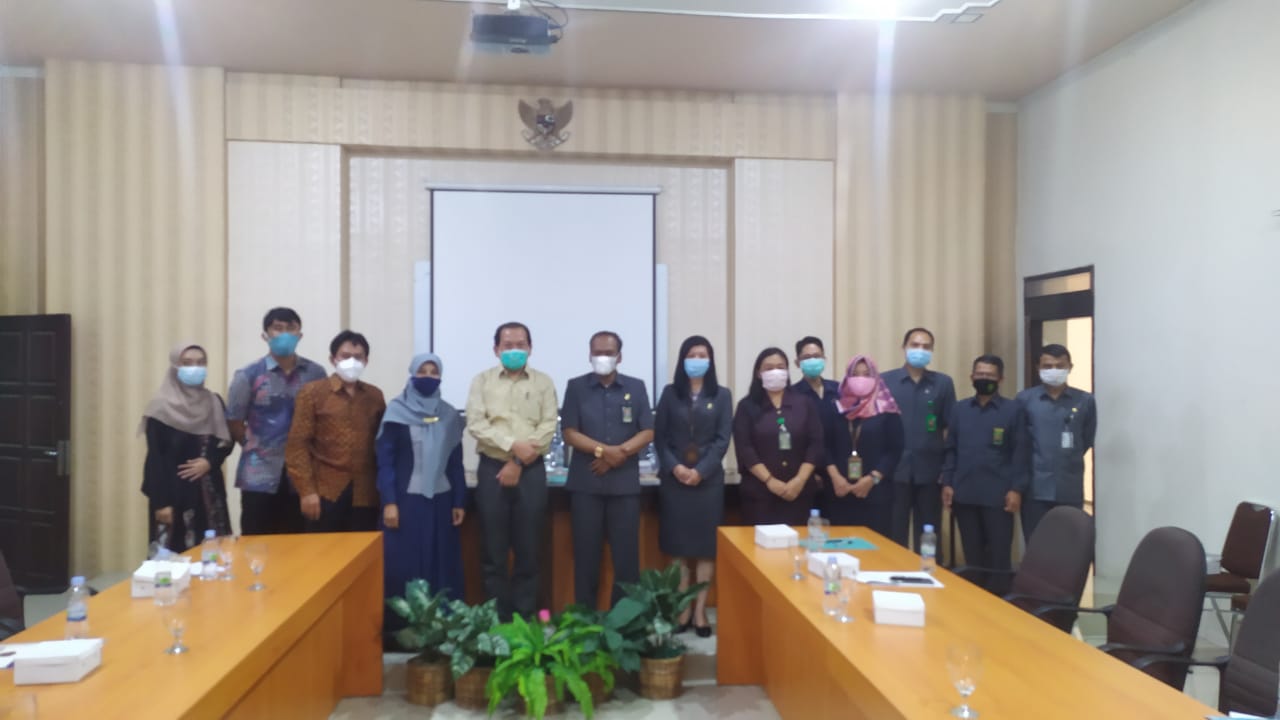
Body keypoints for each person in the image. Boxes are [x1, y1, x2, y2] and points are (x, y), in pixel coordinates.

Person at [465, 322, 558, 620]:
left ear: (530, 348)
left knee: (529, 551)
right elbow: (476, 424)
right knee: (493, 552)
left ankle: (524, 620)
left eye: (520, 345)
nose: (514, 350)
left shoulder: (543, 382)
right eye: (508, 345)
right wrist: (512, 447)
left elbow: (548, 426)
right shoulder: (482, 381)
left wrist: (517, 462)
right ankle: (497, 622)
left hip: (530, 471)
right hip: (492, 469)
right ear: (496, 349)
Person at [560, 331, 654, 609]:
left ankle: (624, 624)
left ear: (619, 357)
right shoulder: (576, 387)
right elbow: (569, 432)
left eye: (609, 353)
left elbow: (647, 431)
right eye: (597, 352)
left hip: (624, 486)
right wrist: (604, 451)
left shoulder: (636, 387)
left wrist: (619, 453)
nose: (603, 357)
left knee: (626, 560)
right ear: (590, 355)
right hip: (586, 484)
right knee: (586, 558)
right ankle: (585, 621)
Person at [376, 352, 467, 616]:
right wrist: (389, 502)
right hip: (405, 502)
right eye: (422, 372)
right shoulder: (396, 412)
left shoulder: (449, 414)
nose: (428, 377)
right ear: (412, 374)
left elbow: (455, 462)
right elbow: (385, 462)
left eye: (434, 372)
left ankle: (443, 624)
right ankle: (403, 628)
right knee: (404, 564)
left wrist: (459, 501)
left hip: (441, 501)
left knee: (441, 562)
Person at [654, 336, 732, 637]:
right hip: (675, 482)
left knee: (704, 551)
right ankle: (683, 609)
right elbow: (660, 437)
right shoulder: (669, 394)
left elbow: (722, 439)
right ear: (682, 359)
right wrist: (675, 467)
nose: (697, 359)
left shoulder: (722, 395)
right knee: (677, 550)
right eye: (692, 354)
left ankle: (700, 612)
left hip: (707, 483)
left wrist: (700, 471)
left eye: (703, 355)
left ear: (710, 360)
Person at [226, 307, 328, 535]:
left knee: (298, 542)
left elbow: (322, 419)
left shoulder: (315, 373)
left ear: (300, 335)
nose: (284, 334)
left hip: (302, 475)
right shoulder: (248, 374)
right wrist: (255, 445)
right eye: (277, 328)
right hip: (259, 474)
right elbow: (234, 421)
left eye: (291, 328)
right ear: (265, 335)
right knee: (256, 542)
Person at [941, 355, 1028, 593]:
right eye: (980, 374)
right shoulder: (959, 409)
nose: (984, 379)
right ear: (971, 377)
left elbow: (1020, 452)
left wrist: (1016, 489)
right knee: (972, 555)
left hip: (998, 495)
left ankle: (999, 601)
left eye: (990, 375)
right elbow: (951, 449)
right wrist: (947, 482)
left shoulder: (1013, 410)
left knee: (999, 556)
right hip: (964, 493)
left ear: (1000, 379)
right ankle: (974, 600)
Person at [286, 330, 386, 533]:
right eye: (345, 356)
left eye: (358, 357)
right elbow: (297, 446)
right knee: (324, 550)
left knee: (363, 549)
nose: (352, 362)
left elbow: (382, 445)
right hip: (325, 491)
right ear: (333, 359)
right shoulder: (312, 392)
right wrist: (306, 492)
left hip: (366, 493)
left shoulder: (375, 396)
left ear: (366, 361)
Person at [140, 343, 234, 552]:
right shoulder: (160, 408)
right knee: (174, 556)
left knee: (214, 554)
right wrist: (161, 502)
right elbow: (155, 457)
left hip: (209, 492)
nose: (195, 368)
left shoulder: (214, 402)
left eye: (201, 363)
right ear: (175, 367)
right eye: (187, 363)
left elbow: (225, 442)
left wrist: (209, 462)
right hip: (174, 494)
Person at [882, 327, 956, 550]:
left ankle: (929, 570)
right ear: (904, 348)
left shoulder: (943, 383)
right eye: (915, 345)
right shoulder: (885, 381)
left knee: (929, 537)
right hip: (894, 472)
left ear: (932, 351)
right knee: (894, 535)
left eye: (926, 347)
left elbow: (949, 429)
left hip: (930, 472)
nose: (920, 350)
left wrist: (947, 470)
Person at [732, 347, 824, 526]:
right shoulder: (746, 406)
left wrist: (799, 481)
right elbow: (745, 448)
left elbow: (815, 444)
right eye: (769, 368)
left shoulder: (804, 403)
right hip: (760, 494)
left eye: (781, 367)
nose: (775, 371)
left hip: (799, 493)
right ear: (758, 373)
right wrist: (770, 481)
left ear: (788, 371)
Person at [1016, 344, 1097, 541]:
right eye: (1048, 366)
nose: (1054, 370)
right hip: (1035, 489)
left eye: (1060, 366)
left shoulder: (1085, 401)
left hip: (1069, 486)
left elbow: (1086, 439)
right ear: (1038, 368)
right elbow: (1019, 442)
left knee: (1068, 544)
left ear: (1070, 367)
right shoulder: (1025, 400)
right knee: (1036, 543)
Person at [820, 355, 904, 538]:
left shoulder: (887, 409)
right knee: (841, 547)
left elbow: (895, 450)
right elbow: (824, 446)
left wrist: (872, 479)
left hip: (875, 494)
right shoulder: (835, 408)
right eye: (855, 374)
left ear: (876, 377)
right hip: (839, 493)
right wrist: (835, 477)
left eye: (866, 374)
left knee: (876, 548)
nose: (860, 379)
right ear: (846, 377)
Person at [791, 336, 840, 404]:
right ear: (797, 363)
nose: (812, 360)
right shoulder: (792, 394)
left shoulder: (837, 388)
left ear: (824, 359)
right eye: (807, 357)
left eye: (816, 356)